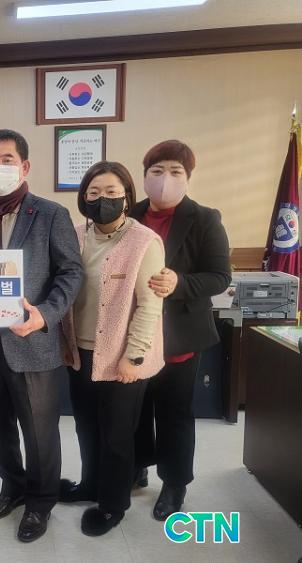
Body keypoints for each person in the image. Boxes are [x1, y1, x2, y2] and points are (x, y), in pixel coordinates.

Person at [0, 129, 83, 543]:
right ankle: (12, 486)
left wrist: (45, 315)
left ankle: (41, 501)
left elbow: (71, 273)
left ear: (25, 166)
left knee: (39, 431)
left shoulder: (51, 214)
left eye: (7, 160)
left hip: (33, 342)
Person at [58, 161, 165, 536]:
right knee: (86, 426)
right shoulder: (74, 235)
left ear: (127, 198)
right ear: (82, 198)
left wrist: (133, 356)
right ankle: (91, 484)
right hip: (80, 353)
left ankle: (113, 504)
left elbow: (150, 305)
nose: (101, 199)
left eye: (111, 192)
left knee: (117, 435)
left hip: (123, 357)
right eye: (93, 192)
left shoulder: (144, 242)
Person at [131, 140, 231, 520]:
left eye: (175, 171)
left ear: (188, 177)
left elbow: (219, 276)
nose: (165, 179)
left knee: (174, 412)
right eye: (157, 171)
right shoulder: (130, 215)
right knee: (135, 408)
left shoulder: (204, 219)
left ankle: (174, 484)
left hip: (180, 335)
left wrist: (180, 283)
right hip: (134, 332)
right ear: (144, 176)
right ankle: (137, 466)